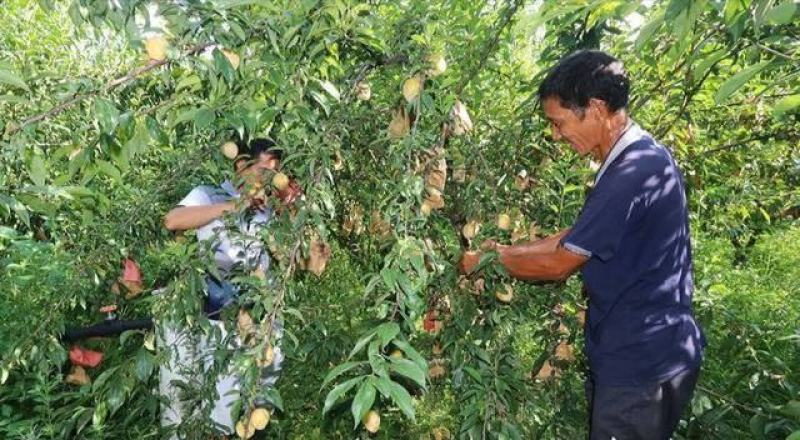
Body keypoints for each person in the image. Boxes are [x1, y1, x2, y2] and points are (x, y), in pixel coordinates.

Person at [459, 50, 705, 440]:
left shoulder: (631, 173)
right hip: (643, 353)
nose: (556, 135)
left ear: (595, 108)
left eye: (559, 123)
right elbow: (575, 239)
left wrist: (485, 262)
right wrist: (502, 250)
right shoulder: (636, 157)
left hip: (640, 364)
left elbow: (561, 262)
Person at [160, 138, 286, 437]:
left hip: (255, 319)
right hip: (215, 316)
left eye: (274, 172)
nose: (269, 178)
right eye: (263, 170)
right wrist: (232, 206)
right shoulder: (209, 194)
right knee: (208, 399)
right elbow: (172, 220)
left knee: (250, 394)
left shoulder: (267, 209)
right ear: (241, 164)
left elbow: (282, 256)